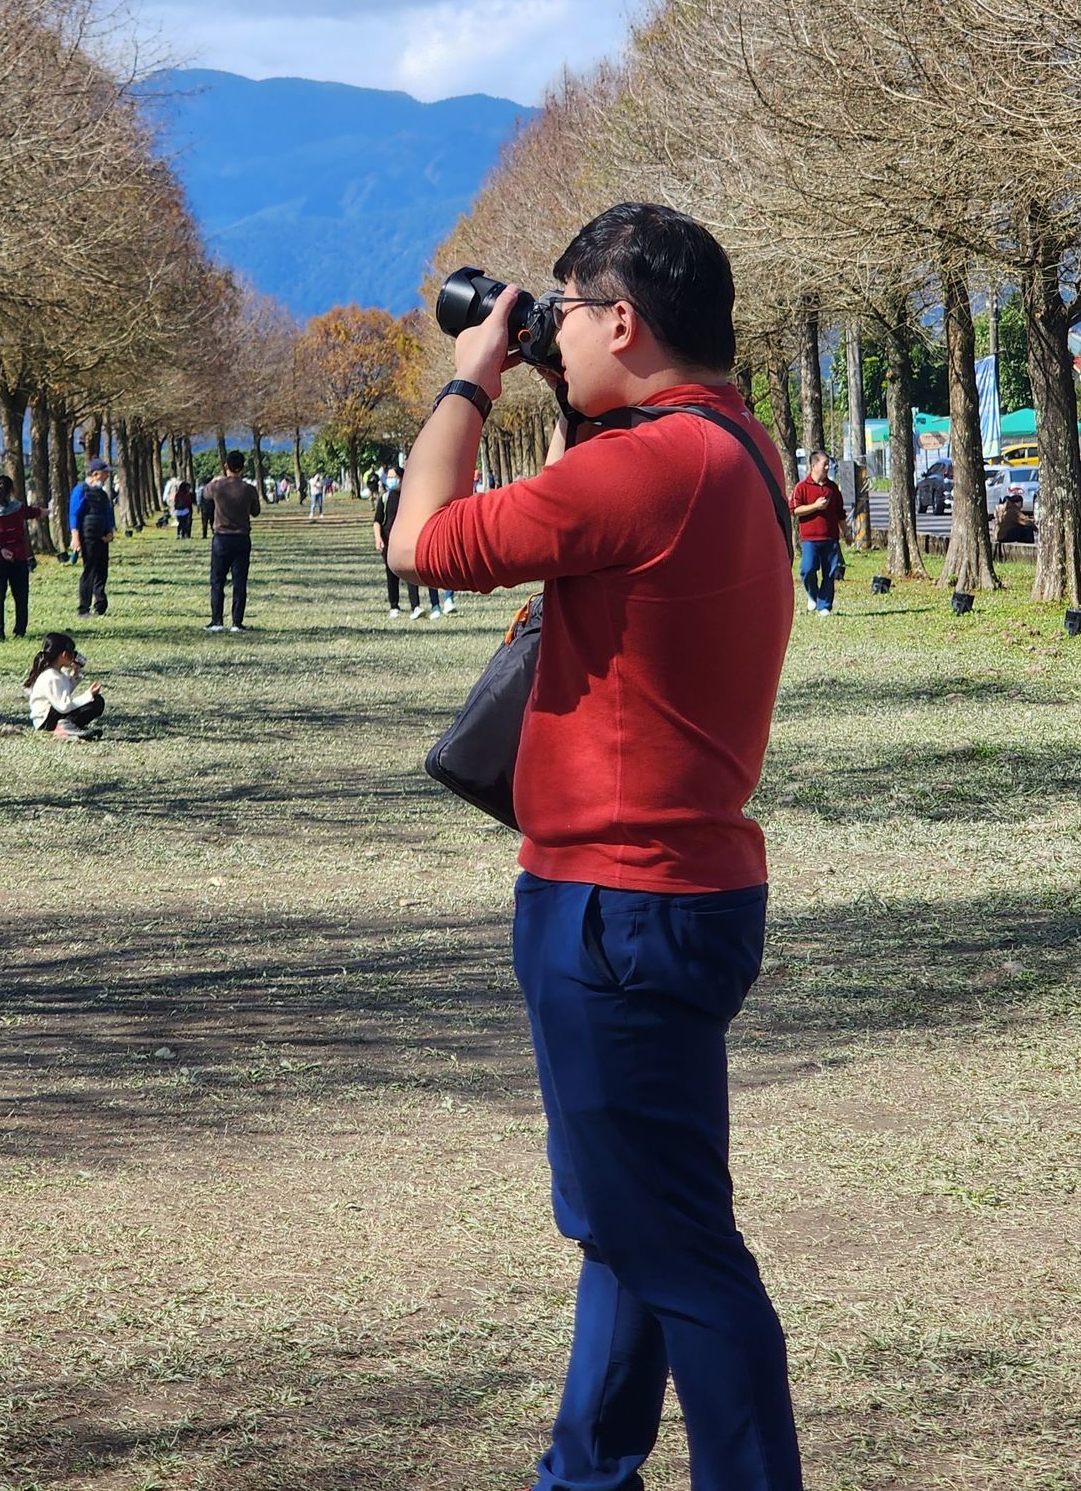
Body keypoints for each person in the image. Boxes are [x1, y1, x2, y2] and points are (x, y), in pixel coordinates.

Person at [387, 202, 803, 1491]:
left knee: (673, 1245)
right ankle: (585, 1473)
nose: (547, 329)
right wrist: (555, 378)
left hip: (612, 905)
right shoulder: (735, 443)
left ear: (623, 318)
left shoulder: (644, 470)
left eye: (564, 309)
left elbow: (422, 541)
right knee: (627, 1225)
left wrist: (467, 376)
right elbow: (606, 488)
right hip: (681, 893)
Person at [373, 464, 452, 619]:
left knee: (415, 574)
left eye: (393, 477)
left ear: (402, 479)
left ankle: (420, 606)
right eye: (388, 477)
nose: (390, 480)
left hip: (410, 542)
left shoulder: (410, 498)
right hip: (389, 542)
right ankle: (394, 606)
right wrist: (378, 538)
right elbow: (377, 520)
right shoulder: (385, 497)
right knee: (391, 575)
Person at [0, 473, 45, 641]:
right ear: (11, 490)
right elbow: (33, 512)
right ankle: (20, 630)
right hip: (19, 556)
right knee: (21, 595)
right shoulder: (18, 508)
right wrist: (46, 511)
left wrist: (0, 550)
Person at [204, 450, 261, 633]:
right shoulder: (249, 489)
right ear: (243, 468)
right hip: (242, 538)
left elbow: (205, 495)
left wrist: (214, 480)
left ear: (226, 466)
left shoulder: (217, 487)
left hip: (221, 538)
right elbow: (256, 512)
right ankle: (237, 622)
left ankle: (217, 621)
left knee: (217, 581)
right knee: (239, 581)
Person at [789, 449, 850, 615]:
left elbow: (840, 513)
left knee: (829, 573)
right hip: (810, 539)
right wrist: (815, 506)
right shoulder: (802, 487)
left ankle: (824, 606)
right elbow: (794, 510)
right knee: (807, 569)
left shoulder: (832, 488)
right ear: (814, 465)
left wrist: (847, 532)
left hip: (830, 538)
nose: (827, 467)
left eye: (828, 464)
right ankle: (812, 595)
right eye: (824, 464)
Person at [25, 633, 106, 738]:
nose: (73, 658)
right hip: (45, 721)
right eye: (71, 654)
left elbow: (63, 693)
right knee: (95, 702)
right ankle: (65, 726)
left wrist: (75, 677)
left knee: (97, 701)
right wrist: (88, 695)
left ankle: (69, 725)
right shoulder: (51, 676)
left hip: (50, 716)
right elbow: (64, 706)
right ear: (64, 655)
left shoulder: (57, 673)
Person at [69, 459, 116, 617]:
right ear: (95, 474)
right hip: (87, 535)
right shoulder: (80, 490)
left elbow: (108, 513)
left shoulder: (102, 494)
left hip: (102, 536)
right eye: (105, 473)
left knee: (102, 571)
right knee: (89, 570)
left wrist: (110, 531)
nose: (107, 476)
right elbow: (74, 514)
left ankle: (100, 606)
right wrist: (75, 537)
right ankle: (83, 608)